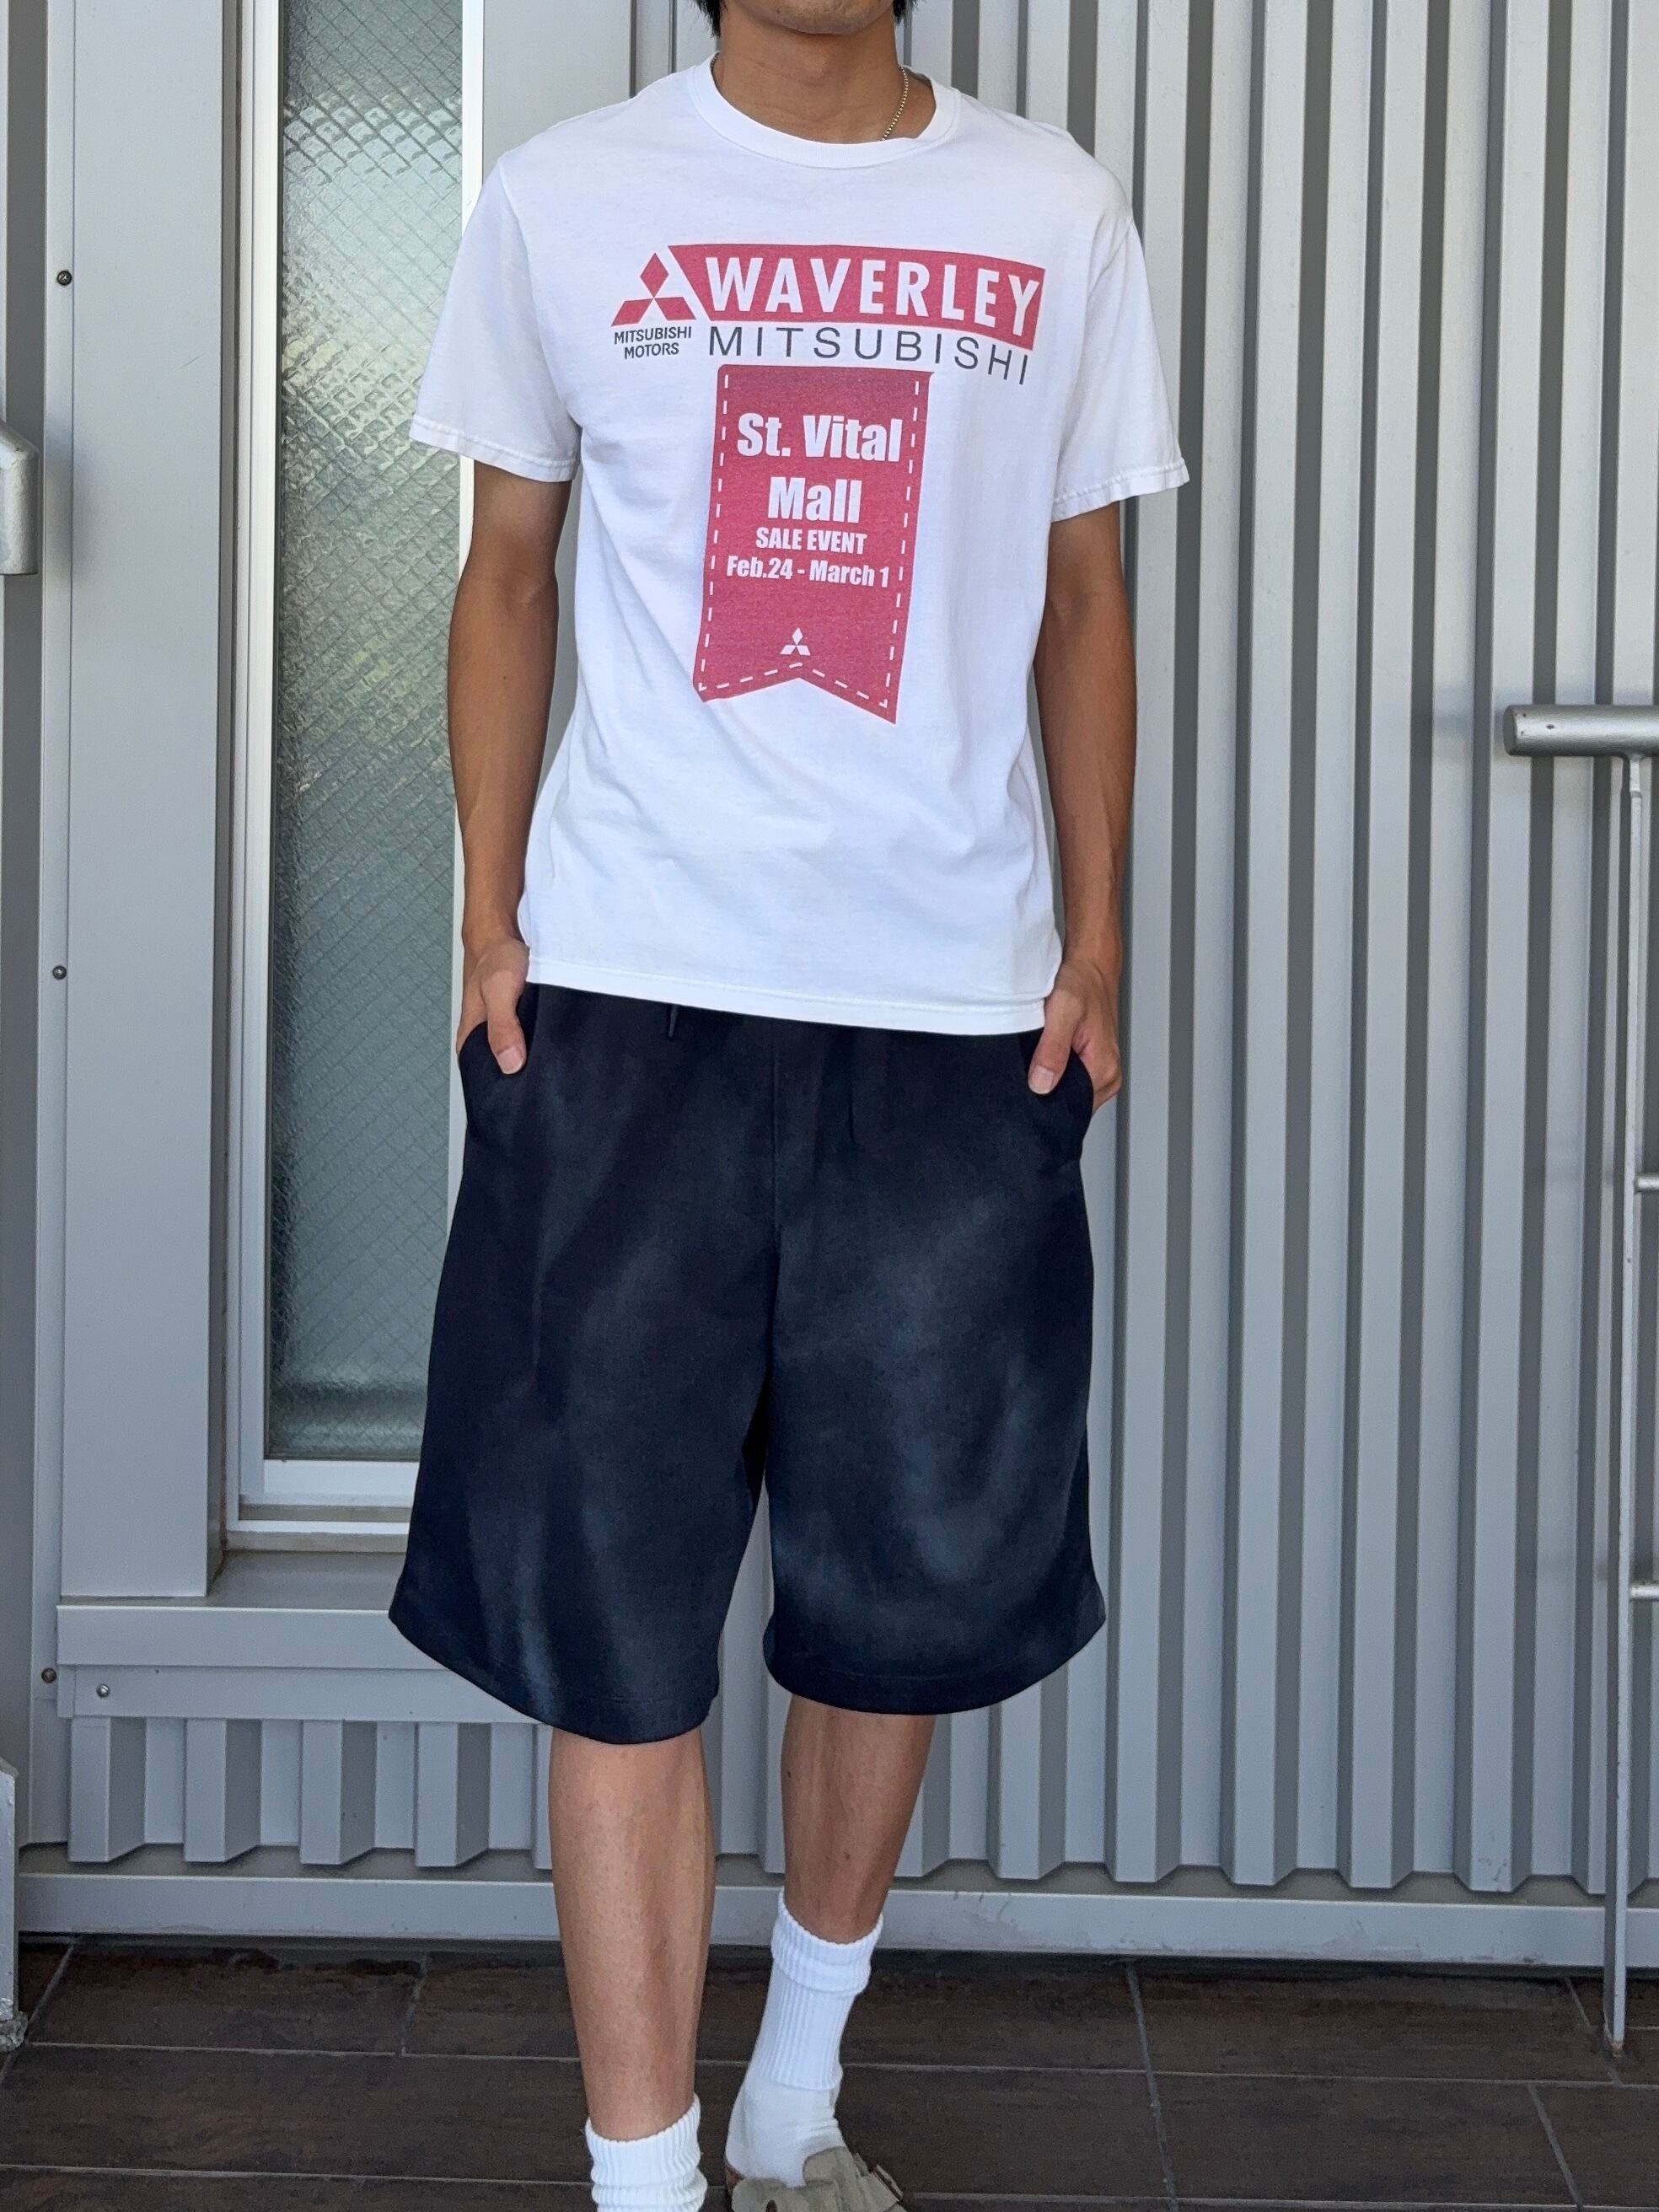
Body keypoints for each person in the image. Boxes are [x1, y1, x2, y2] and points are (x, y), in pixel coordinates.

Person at [388, 0, 1186, 2204]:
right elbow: (509, 569)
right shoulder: (565, 199)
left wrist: (1096, 940)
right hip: (631, 1003)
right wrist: (491, 920)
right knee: (616, 1629)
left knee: (894, 1597)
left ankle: (793, 2107)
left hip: (949, 1018)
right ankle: (642, 2184)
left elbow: (1086, 596)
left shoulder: (1052, 212)